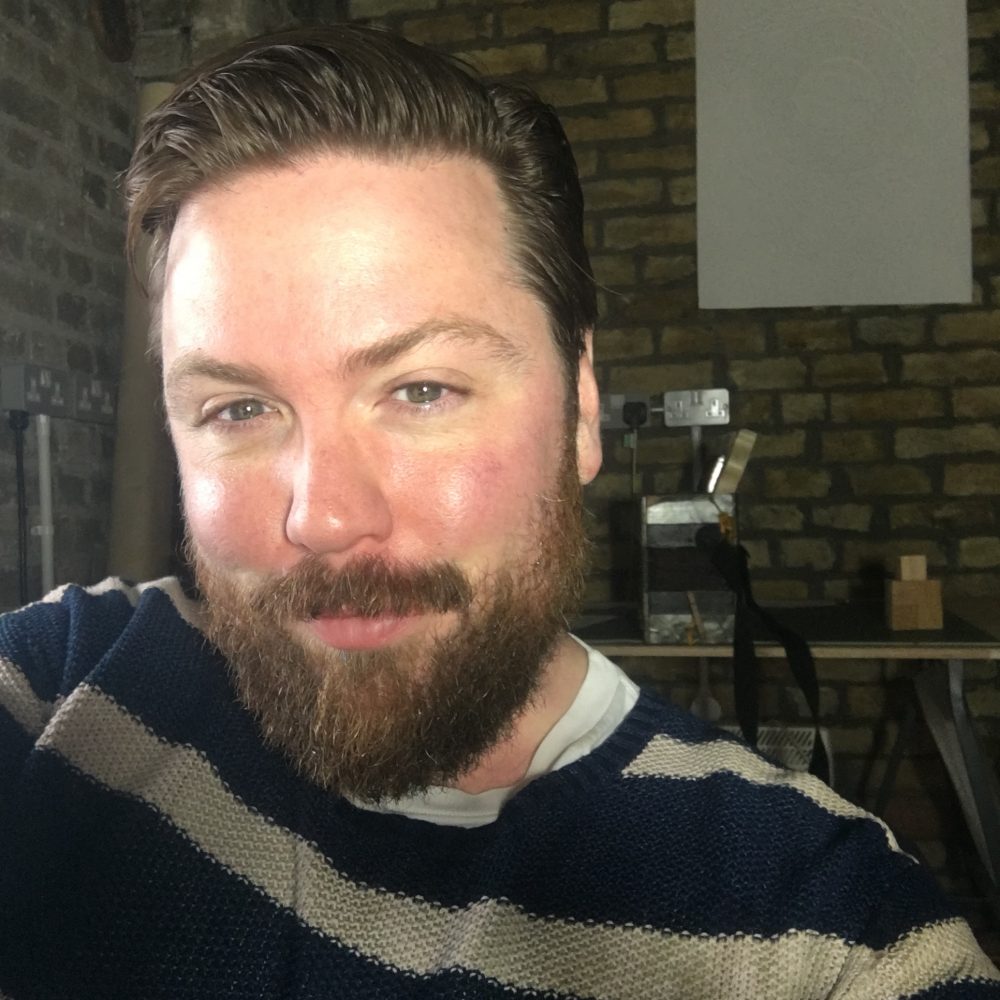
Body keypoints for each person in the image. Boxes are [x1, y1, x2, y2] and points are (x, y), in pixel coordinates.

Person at [0, 24, 997, 1000]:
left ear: (580, 410)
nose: (324, 516)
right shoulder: (65, 692)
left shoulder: (820, 943)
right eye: (240, 408)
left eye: (421, 389)